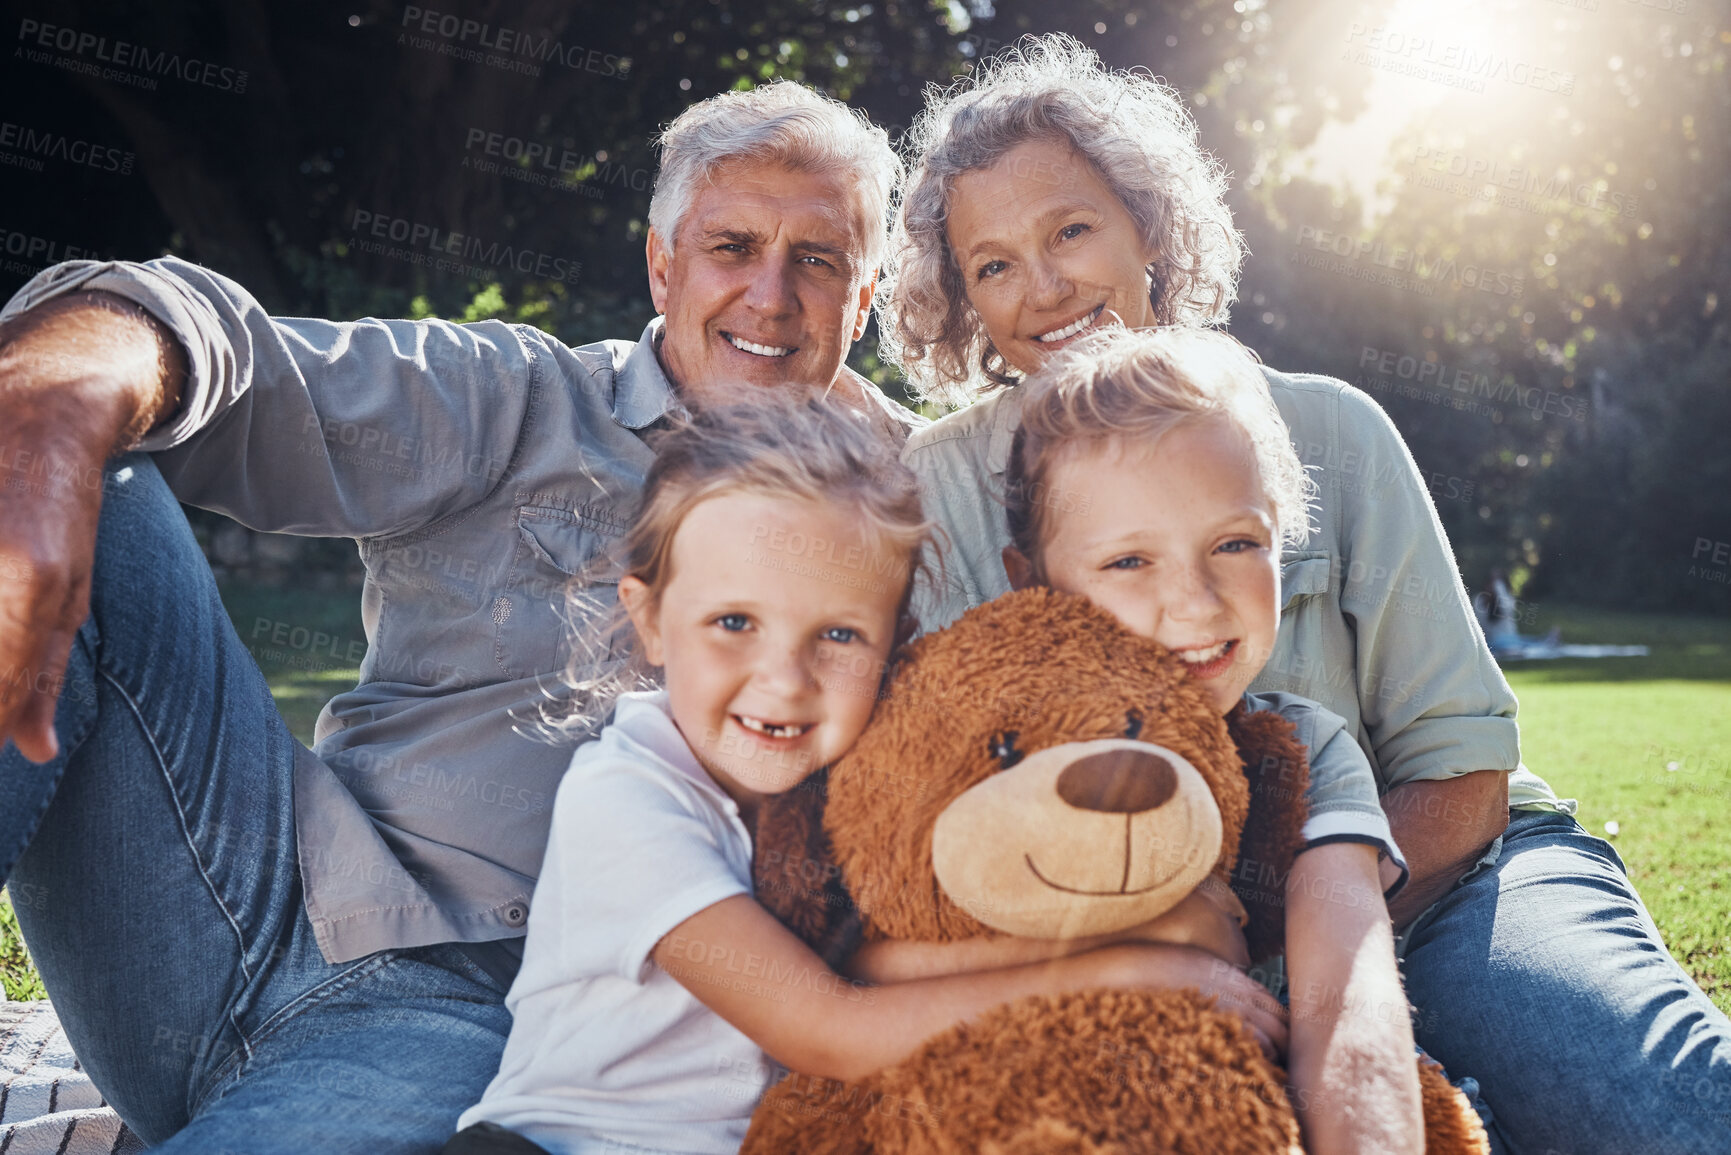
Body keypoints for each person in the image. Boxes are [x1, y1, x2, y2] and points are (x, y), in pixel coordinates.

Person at [0, 80, 919, 1153]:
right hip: (246, 901)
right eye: (732, 246)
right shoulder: (514, 399)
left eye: (817, 259)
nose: (769, 296)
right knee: (62, 459)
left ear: (864, 299)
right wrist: (47, 432)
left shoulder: (915, 502)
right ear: (663, 265)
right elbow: (213, 345)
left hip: (479, 1018)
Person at [881, 33, 1731, 1154]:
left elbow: (1464, 775)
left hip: (1455, 887)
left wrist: (1286, 935)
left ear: (1149, 225)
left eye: (1072, 231)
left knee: (1650, 1106)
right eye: (991, 265)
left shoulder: (1328, 426)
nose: (1042, 290)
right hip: (1122, 946)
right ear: (961, 302)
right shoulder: (934, 489)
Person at [443, 400, 1271, 1155]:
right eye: (733, 622)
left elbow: (879, 964)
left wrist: (1144, 925)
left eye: (837, 635)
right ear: (651, 619)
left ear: (895, 642)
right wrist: (1125, 969)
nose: (785, 678)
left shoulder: (846, 785)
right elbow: (827, 1024)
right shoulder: (624, 799)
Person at [855, 326, 1425, 1152]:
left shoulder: (1300, 747)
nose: (1194, 603)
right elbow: (875, 970)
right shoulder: (990, 746)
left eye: (1236, 544)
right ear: (1033, 583)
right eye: (1129, 562)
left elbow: (1350, 998)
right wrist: (1139, 957)